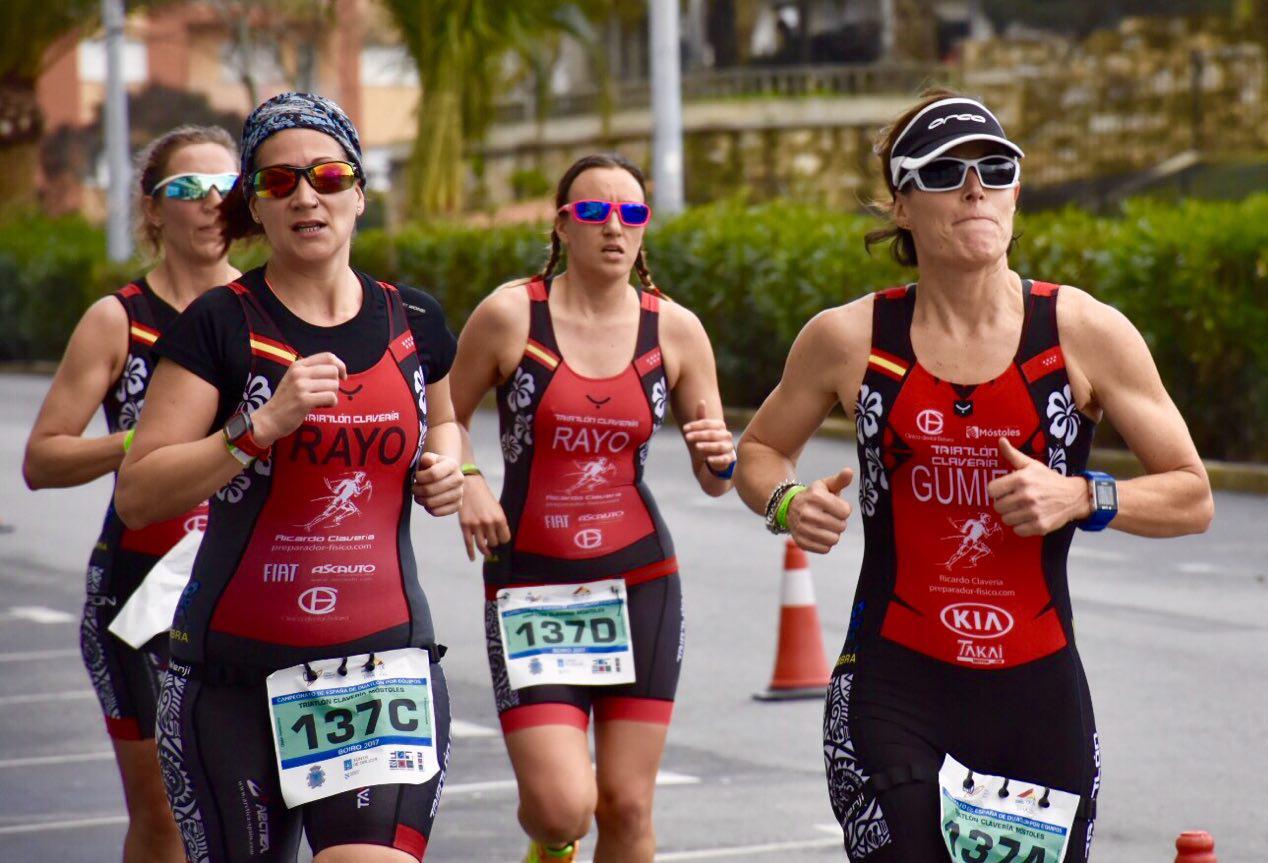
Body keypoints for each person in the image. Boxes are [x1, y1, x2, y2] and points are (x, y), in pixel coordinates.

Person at [735, 90, 1214, 863]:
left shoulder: (1082, 332)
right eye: (944, 172)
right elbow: (758, 449)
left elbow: (1192, 493)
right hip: (894, 687)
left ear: (1016, 194)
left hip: (1038, 696)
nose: (974, 188)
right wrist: (787, 503)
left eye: (995, 169)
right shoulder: (849, 338)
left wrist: (1079, 494)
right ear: (901, 206)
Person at [114, 93, 463, 863]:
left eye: (329, 176)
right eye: (278, 182)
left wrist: (449, 468)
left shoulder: (415, 320)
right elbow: (139, 492)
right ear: (256, 207)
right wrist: (256, 429)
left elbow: (444, 420)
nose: (307, 196)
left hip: (381, 671)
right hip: (232, 678)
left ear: (359, 194)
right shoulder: (219, 323)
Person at [450, 153, 736, 863]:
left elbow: (715, 478)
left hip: (640, 581)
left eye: (630, 213)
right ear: (562, 225)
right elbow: (441, 413)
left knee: (628, 806)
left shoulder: (676, 329)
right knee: (560, 809)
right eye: (593, 211)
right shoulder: (510, 314)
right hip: (531, 583)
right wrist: (470, 478)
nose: (614, 226)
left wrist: (720, 457)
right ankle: (552, 848)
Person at [23, 125, 240, 863]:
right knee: (166, 817)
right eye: (189, 188)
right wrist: (142, 443)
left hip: (248, 580)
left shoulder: (266, 311)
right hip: (142, 588)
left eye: (227, 188)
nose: (210, 203)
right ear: (152, 208)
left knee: (252, 806)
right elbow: (42, 459)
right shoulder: (118, 318)